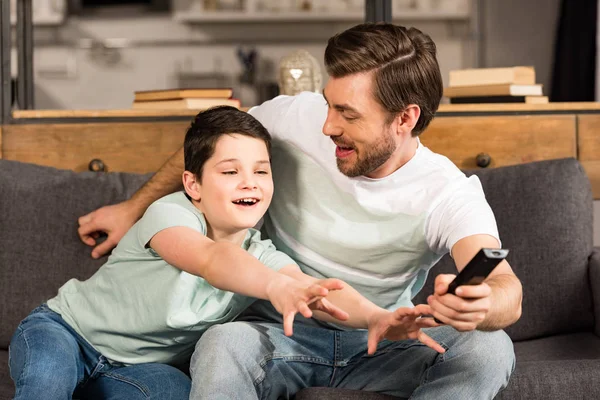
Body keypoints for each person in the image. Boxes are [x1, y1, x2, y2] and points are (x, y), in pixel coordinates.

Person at [77, 23, 522, 399]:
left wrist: (482, 305)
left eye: (348, 114)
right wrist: (133, 208)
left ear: (404, 119)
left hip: (379, 337)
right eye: (329, 104)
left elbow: (505, 286)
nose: (328, 126)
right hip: (278, 332)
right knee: (222, 341)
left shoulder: (447, 192)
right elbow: (213, 146)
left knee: (490, 349)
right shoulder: (293, 119)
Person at [9, 106, 390, 400]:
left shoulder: (261, 254)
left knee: (174, 391)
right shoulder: (171, 214)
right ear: (193, 183)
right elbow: (211, 260)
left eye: (261, 171)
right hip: (66, 333)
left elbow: (318, 290)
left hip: (134, 369)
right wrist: (275, 286)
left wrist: (377, 317)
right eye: (230, 172)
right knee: (48, 380)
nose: (249, 183)